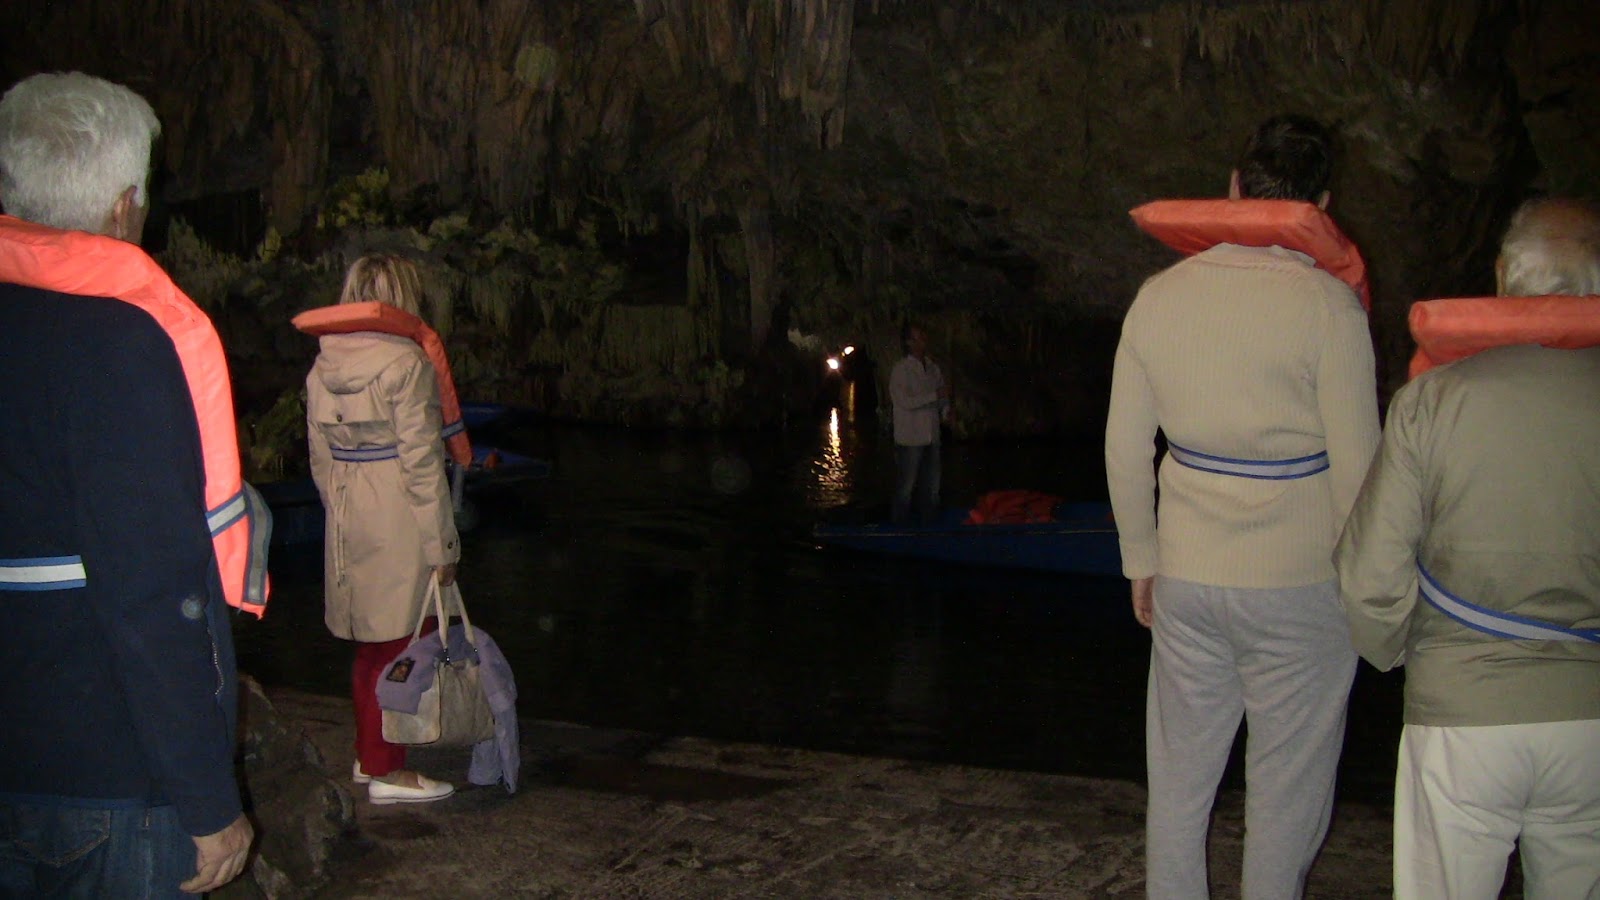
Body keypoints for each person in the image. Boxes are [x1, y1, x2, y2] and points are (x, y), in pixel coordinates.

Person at [1104, 115, 1380, 898]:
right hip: (1300, 586)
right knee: (1285, 798)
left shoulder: (1160, 298)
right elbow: (1360, 470)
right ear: (1320, 206)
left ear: (1233, 187)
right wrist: (1365, 589)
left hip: (1188, 576)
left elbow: (1127, 450)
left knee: (1180, 788)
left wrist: (1141, 562)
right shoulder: (1331, 308)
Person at [0, 72, 254, 896]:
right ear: (123, 204)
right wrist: (207, 798)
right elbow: (150, 591)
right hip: (102, 766)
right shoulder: (116, 347)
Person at [1334, 197, 1600, 899]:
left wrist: (1396, 651)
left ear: (1504, 277)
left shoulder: (1433, 401)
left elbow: (1368, 576)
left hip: (1461, 715)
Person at [306, 253, 461, 804]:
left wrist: (343, 511)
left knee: (369, 645)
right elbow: (423, 465)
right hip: (396, 508)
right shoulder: (406, 363)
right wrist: (442, 542)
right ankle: (387, 769)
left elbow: (319, 461)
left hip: (349, 507)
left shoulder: (322, 364)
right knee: (401, 645)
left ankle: (368, 753)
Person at [889, 322, 951, 526]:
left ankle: (929, 525)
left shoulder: (933, 368)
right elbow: (904, 402)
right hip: (910, 438)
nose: (923, 341)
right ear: (908, 342)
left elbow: (942, 395)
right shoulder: (901, 370)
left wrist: (945, 410)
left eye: (923, 336)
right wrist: (935, 396)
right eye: (917, 338)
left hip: (931, 435)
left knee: (933, 486)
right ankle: (899, 526)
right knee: (906, 486)